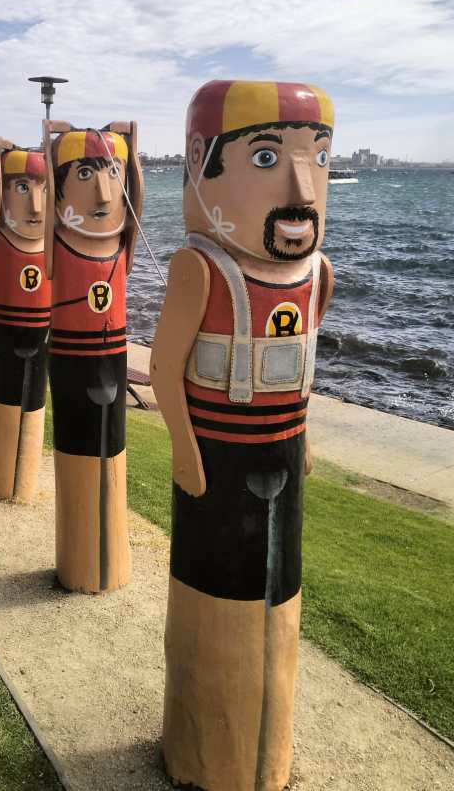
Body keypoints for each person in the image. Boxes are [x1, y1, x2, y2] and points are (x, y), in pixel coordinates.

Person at [151, 81, 335, 791]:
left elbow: (302, 368)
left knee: (278, 599)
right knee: (219, 597)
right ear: (200, 161)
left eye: (318, 158)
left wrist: (303, 438)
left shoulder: (315, 275)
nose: (301, 189)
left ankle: (264, 757)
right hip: (218, 457)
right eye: (265, 157)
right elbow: (165, 368)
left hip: (283, 448)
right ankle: (208, 752)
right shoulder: (199, 270)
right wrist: (184, 449)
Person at [43, 123, 143, 593]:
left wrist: (132, 149)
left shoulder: (122, 246)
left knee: (112, 449)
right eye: (85, 174)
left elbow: (135, 207)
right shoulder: (57, 246)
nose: (104, 193)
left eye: (113, 173)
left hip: (112, 354)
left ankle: (106, 562)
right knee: (81, 446)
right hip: (72, 357)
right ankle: (82, 562)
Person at [0, 143, 51, 501]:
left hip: (40, 335)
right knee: (2, 394)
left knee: (33, 404)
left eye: (45, 190)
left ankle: (20, 483)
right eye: (22, 188)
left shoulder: (53, 245)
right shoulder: (0, 238)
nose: (35, 206)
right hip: (4, 334)